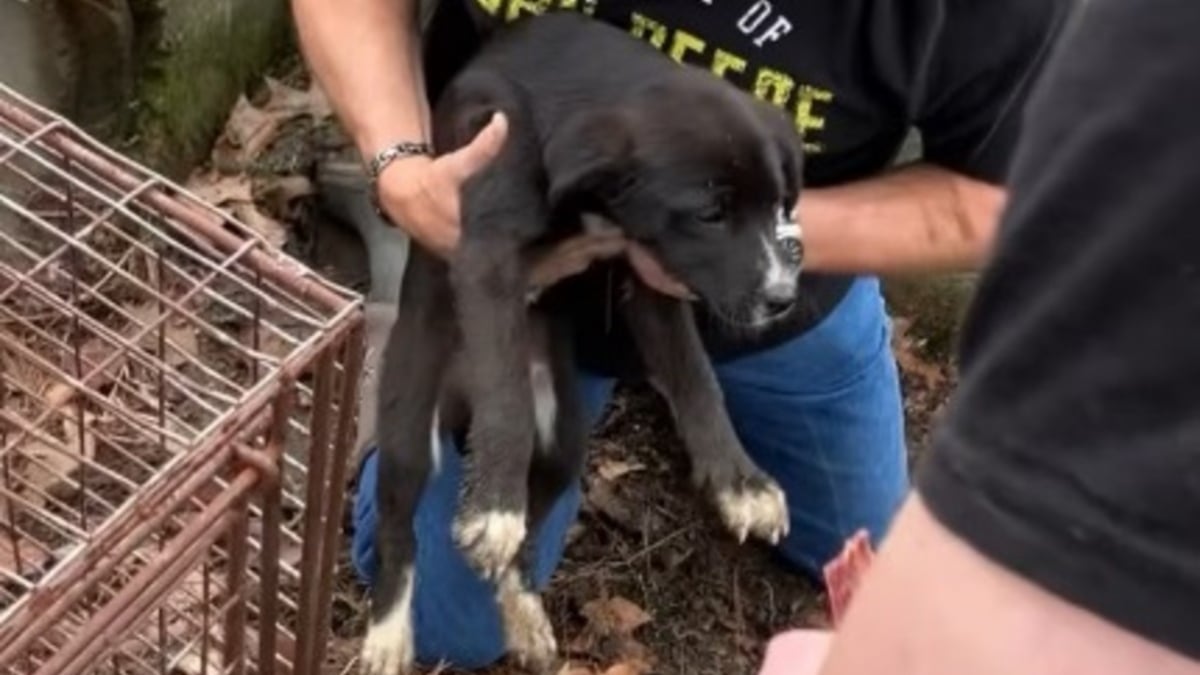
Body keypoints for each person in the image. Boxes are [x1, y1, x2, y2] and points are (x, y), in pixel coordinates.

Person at [290, 0, 1075, 668]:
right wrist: (399, 159)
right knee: (450, 626)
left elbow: (990, 200)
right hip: (515, 268)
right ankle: (409, 294)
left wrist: (757, 237)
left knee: (866, 553)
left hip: (780, 287)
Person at [761, 0, 1200, 672]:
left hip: (802, 295)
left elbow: (984, 203)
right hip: (569, 284)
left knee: (866, 538)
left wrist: (761, 244)